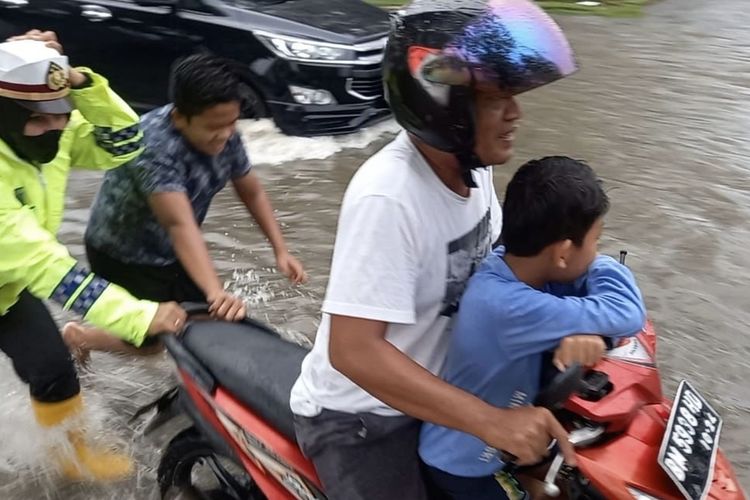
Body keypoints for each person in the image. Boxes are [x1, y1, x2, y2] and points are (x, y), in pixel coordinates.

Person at [289, 1, 580, 498]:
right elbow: (353, 350)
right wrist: (490, 421)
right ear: (444, 107)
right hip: (363, 419)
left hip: (444, 386)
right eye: (496, 98)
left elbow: (497, 268)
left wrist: (571, 313)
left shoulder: (473, 168)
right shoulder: (389, 195)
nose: (515, 113)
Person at [0, 31, 186, 481]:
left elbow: (124, 142)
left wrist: (82, 83)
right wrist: (139, 317)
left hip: (6, 288)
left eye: (60, 115)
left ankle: (70, 454)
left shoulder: (48, 136)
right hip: (23, 269)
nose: (55, 129)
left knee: (53, 370)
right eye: (38, 120)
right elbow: (51, 269)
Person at [418, 156, 647, 499]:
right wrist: (602, 267)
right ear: (562, 253)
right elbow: (628, 311)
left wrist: (595, 332)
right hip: (466, 463)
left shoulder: (514, 269)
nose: (598, 253)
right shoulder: (508, 305)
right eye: (596, 241)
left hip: (507, 438)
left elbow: (597, 309)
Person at [63, 53, 306, 359]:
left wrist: (280, 250)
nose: (225, 135)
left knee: (206, 319)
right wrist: (215, 291)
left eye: (231, 122)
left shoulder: (225, 130)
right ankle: (79, 337)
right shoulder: (150, 145)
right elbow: (179, 225)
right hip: (123, 253)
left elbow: (251, 190)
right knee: (153, 342)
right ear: (179, 118)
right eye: (214, 127)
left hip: (172, 250)